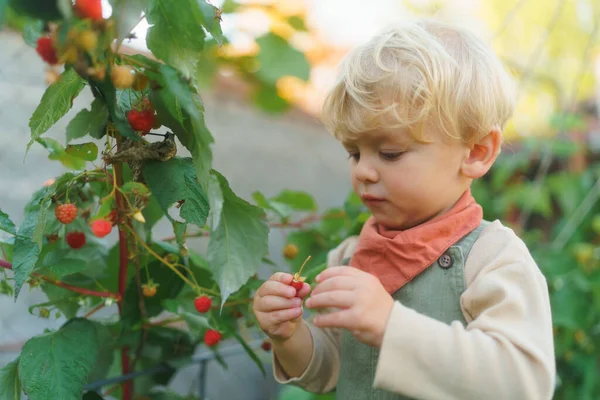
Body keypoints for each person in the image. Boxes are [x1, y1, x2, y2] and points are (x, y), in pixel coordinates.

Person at [252, 18, 555, 400]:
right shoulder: (349, 256)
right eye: (354, 152)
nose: (363, 170)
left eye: (390, 153)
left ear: (477, 153)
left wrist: (390, 324)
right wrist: (290, 335)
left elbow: (525, 384)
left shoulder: (493, 259)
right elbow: (330, 371)